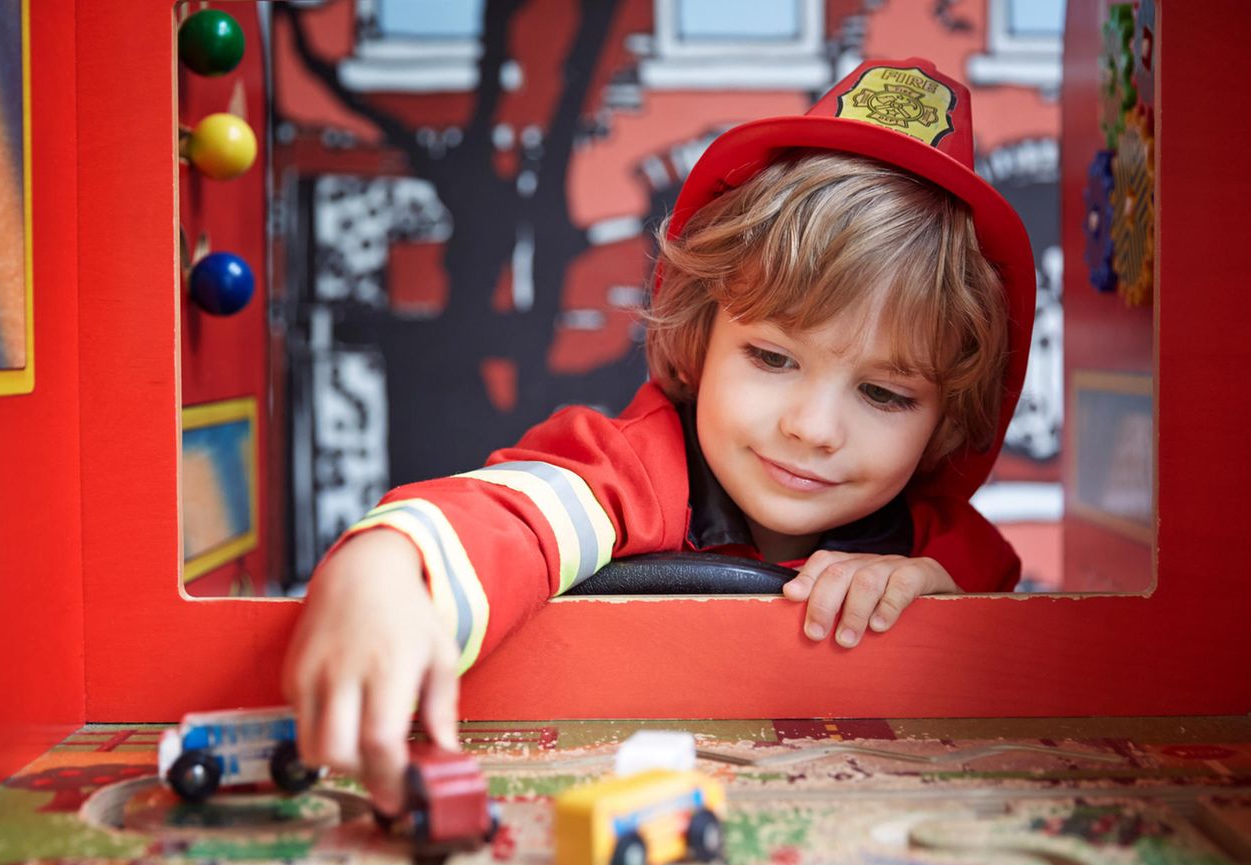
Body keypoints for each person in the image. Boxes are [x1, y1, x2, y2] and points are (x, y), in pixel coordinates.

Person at [283, 58, 1035, 814]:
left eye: (883, 392)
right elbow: (518, 514)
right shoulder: (633, 468)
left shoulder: (935, 538)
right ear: (701, 333)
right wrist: (393, 568)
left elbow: (1002, 611)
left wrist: (931, 594)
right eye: (772, 357)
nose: (812, 427)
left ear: (948, 415)